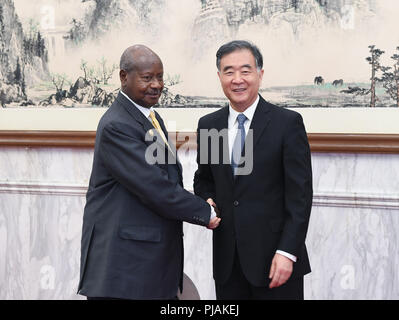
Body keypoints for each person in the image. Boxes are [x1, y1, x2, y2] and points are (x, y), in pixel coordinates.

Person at [77, 45, 220, 300]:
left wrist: (199, 201)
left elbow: (166, 180)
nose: (156, 85)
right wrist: (204, 212)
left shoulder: (151, 118)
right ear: (124, 77)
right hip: (124, 271)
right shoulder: (117, 125)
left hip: (147, 267)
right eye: (147, 78)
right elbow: (154, 187)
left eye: (160, 77)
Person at [194, 40, 313, 300]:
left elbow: (300, 197)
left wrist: (287, 252)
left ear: (260, 74)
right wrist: (206, 200)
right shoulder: (209, 125)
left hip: (276, 263)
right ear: (219, 76)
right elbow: (204, 180)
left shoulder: (287, 123)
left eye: (245, 70)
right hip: (228, 264)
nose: (237, 79)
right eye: (229, 71)